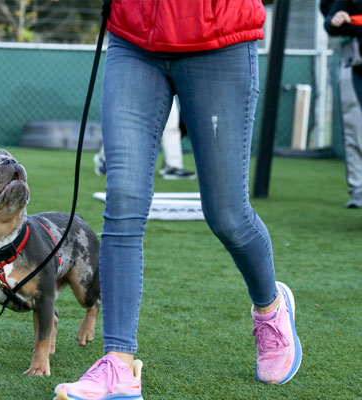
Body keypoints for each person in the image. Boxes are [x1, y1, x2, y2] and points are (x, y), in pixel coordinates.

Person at [54, 2, 302, 399]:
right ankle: (119, 364)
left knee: (227, 215)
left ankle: (271, 307)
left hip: (219, 37)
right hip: (134, 36)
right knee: (123, 203)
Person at [93, 97, 196, 180]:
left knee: (171, 119)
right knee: (127, 119)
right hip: (138, 75)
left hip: (167, 74)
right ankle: (105, 159)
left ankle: (173, 166)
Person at [322, 0, 362, 208]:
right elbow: (330, 19)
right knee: (355, 128)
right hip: (355, 62)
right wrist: (335, 20)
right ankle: (359, 190)